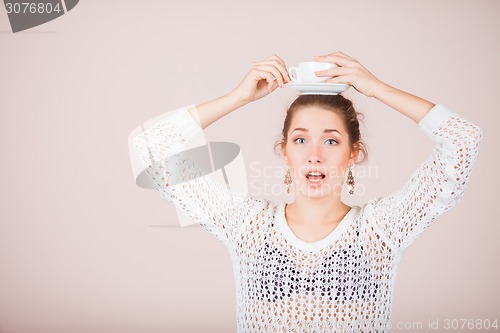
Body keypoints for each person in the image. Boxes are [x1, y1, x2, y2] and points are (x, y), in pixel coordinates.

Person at [128, 52, 483, 333]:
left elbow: (463, 140)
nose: (315, 154)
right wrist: (237, 97)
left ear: (353, 153)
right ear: (284, 150)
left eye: (331, 140)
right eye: (300, 139)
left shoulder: (382, 229)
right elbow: (150, 147)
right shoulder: (247, 225)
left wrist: (376, 88)